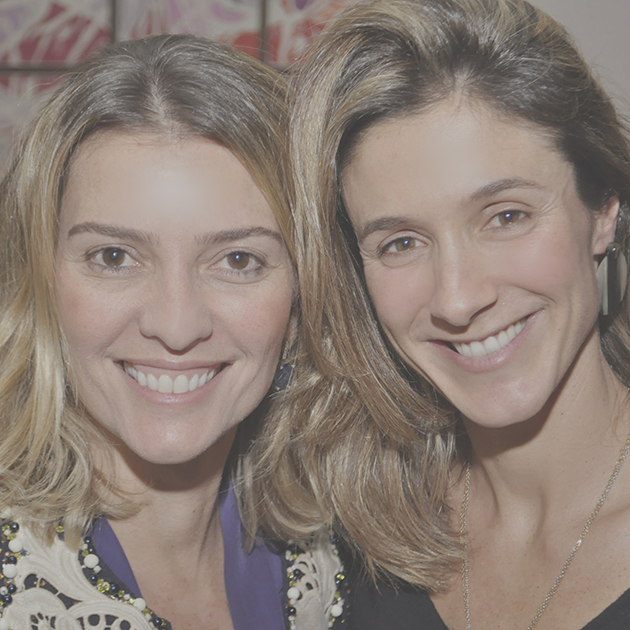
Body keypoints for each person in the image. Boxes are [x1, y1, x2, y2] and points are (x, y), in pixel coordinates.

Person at [251, 0, 630, 628]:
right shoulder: (340, 540)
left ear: (603, 212)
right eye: (401, 243)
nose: (457, 298)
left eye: (506, 216)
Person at [0, 34, 344, 630]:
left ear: (299, 306)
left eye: (238, 260)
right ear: (41, 285)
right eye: (113, 256)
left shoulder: (333, 557)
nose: (176, 324)